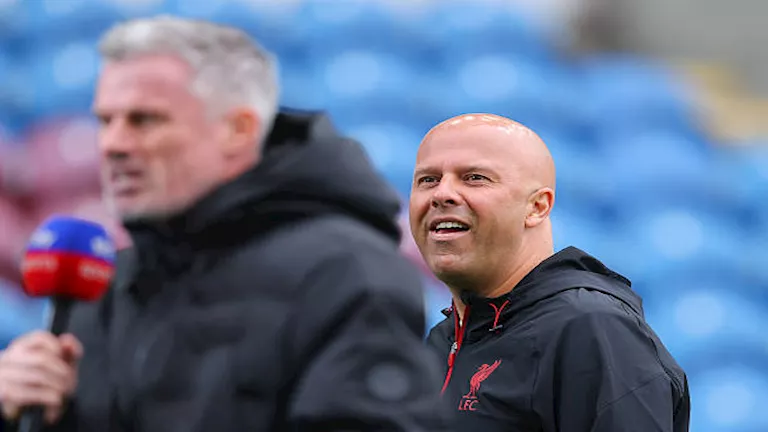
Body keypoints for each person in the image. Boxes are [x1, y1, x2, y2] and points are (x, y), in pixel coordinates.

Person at [0, 16, 450, 432]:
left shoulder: (345, 273)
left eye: (144, 120)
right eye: (105, 120)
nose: (112, 144)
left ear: (237, 130)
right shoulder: (105, 288)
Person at [410, 113, 690, 431]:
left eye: (475, 178)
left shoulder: (590, 328)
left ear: (538, 207)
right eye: (428, 180)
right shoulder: (444, 338)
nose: (441, 194)